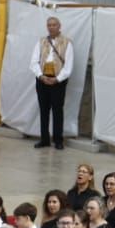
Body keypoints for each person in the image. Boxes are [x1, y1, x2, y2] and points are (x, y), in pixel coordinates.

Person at [30, 17, 73, 151]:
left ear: (59, 26)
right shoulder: (41, 41)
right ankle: (44, 139)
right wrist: (41, 76)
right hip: (42, 79)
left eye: (54, 25)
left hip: (58, 80)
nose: (51, 27)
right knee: (43, 110)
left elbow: (69, 65)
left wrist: (58, 79)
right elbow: (33, 62)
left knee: (57, 111)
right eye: (49, 25)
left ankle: (58, 140)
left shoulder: (67, 43)